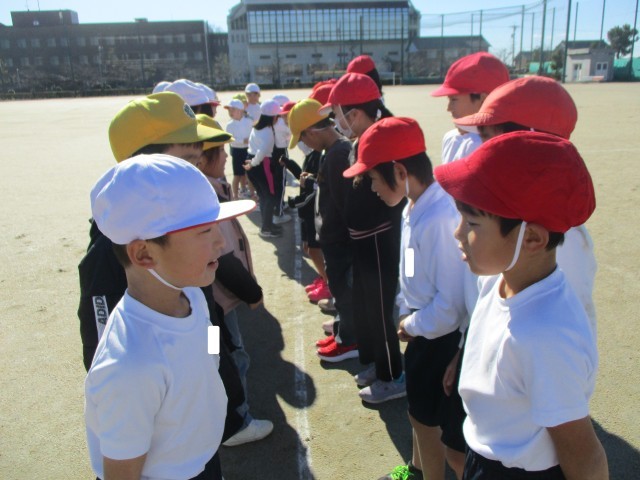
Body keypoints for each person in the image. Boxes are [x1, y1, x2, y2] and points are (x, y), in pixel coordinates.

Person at [77, 92, 250, 454]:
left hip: (202, 395)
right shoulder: (113, 246)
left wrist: (213, 363)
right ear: (141, 163)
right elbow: (104, 346)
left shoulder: (189, 218)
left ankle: (231, 421)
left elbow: (207, 311)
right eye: (187, 161)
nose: (197, 172)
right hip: (169, 434)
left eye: (198, 161)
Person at [434, 132, 608, 479]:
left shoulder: (545, 336)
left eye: (471, 223)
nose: (457, 233)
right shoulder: (494, 280)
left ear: (531, 238)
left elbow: (583, 453)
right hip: (483, 453)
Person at [344, 118, 471, 480]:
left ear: (400, 172)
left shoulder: (439, 218)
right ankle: (417, 469)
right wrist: (404, 309)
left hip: (437, 337)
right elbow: (410, 269)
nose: (371, 188)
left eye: (373, 178)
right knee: (418, 415)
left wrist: (410, 323)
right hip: (421, 329)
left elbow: (450, 305)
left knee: (427, 422)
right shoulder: (413, 208)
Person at [454, 75, 597, 331]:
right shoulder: (502, 208)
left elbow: (559, 331)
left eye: (488, 139)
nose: (479, 151)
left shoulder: (562, 239)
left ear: (528, 140)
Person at [319, 73, 405, 395]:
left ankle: (393, 376)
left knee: (380, 312)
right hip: (362, 241)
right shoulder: (360, 139)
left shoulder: (383, 138)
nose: (335, 121)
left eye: (337, 113)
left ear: (354, 113)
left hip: (380, 241)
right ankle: (376, 363)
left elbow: (394, 196)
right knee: (366, 308)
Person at [196, 118, 274, 446]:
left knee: (215, 355)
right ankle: (235, 420)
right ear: (202, 159)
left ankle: (223, 413)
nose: (227, 156)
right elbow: (223, 257)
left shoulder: (212, 187)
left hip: (212, 303)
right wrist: (251, 292)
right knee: (228, 354)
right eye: (221, 151)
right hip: (217, 303)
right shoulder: (206, 196)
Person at [289, 99, 356, 361]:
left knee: (345, 293)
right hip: (334, 239)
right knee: (340, 291)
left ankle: (349, 341)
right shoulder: (335, 150)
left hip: (340, 241)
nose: (305, 145)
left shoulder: (338, 153)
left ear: (312, 132)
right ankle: (343, 332)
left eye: (303, 138)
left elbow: (343, 204)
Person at [430, 52, 509, 164]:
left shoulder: (491, 146)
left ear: (484, 100)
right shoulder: (451, 138)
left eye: (454, 100)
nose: (449, 108)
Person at [244, 99, 282, 238]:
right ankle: (266, 229)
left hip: (253, 160)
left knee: (263, 195)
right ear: (274, 117)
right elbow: (262, 151)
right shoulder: (268, 131)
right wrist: (253, 163)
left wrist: (251, 163)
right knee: (270, 196)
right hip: (261, 164)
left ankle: (267, 224)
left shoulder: (257, 127)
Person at [224, 98, 255, 199]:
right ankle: (235, 196)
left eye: (232, 109)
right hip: (236, 151)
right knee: (237, 175)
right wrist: (242, 141)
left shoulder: (249, 121)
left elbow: (254, 134)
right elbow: (230, 139)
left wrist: (250, 141)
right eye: (229, 110)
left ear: (240, 110)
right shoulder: (229, 125)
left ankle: (252, 194)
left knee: (249, 174)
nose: (230, 112)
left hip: (248, 150)